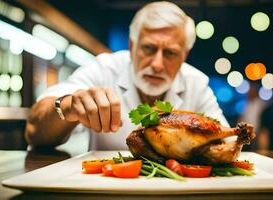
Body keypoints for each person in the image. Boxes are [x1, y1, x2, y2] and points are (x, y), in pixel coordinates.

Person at [25, 1, 229, 151]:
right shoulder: (103, 68)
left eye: (170, 53)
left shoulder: (196, 83)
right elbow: (34, 131)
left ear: (185, 55)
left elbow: (226, 142)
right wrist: (69, 107)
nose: (157, 64)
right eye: (149, 48)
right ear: (132, 46)